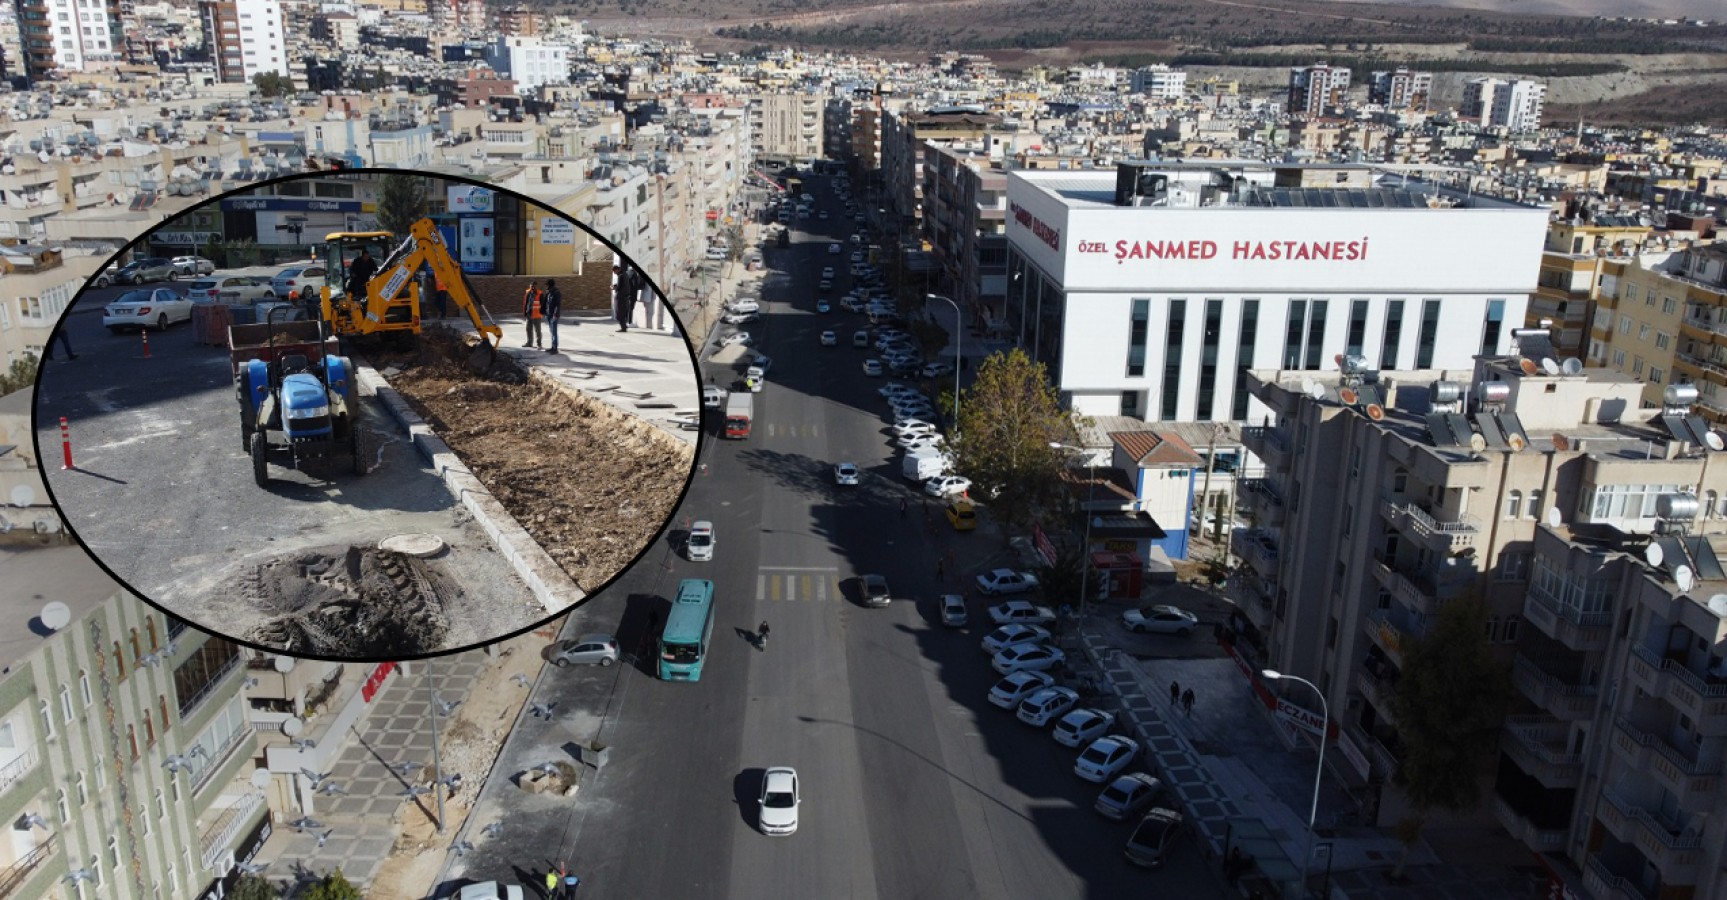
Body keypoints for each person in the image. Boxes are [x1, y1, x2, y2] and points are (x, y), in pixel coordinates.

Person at [523, 281, 545, 349]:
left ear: (536, 286)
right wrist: (525, 313)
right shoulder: (527, 292)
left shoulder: (540, 293)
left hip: (537, 315)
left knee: (537, 330)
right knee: (528, 329)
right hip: (529, 314)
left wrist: (542, 313)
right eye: (531, 286)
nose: (532, 287)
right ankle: (529, 343)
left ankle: (539, 344)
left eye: (533, 286)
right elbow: (525, 303)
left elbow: (543, 304)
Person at [544, 278, 563, 352]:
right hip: (549, 314)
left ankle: (555, 348)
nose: (546, 287)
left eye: (547, 285)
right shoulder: (549, 292)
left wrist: (555, 314)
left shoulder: (556, 292)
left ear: (549, 285)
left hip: (554, 315)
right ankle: (552, 346)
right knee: (551, 331)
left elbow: (557, 305)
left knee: (554, 331)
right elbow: (547, 303)